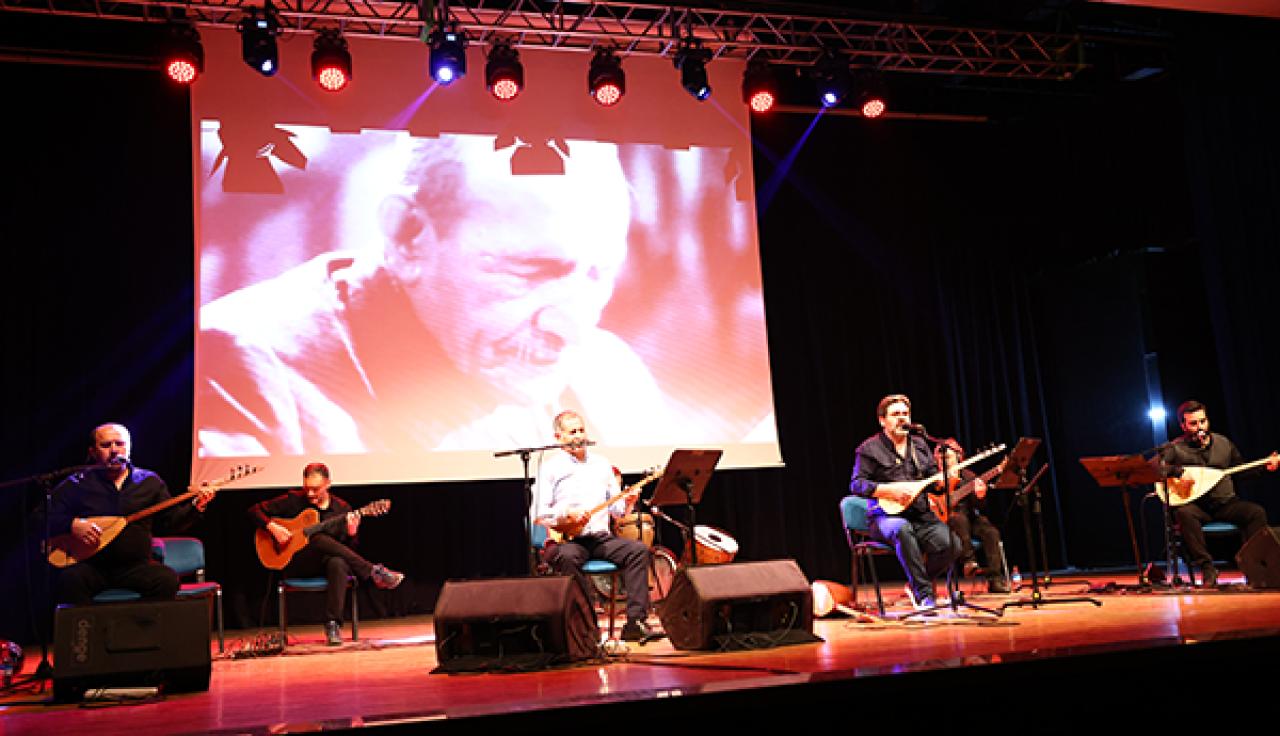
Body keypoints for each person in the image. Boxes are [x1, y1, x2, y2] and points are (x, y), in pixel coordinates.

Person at [197, 134, 679, 458]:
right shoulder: (245, 368)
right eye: (530, 272)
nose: (572, 328)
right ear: (408, 236)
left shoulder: (608, 373)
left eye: (599, 275)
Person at [48, 423, 217, 605]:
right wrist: (72, 525)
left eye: (119, 444)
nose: (114, 450)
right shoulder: (77, 484)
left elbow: (170, 522)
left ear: (129, 448)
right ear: (93, 452)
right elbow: (42, 517)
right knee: (69, 580)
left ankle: (144, 624)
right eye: (106, 445)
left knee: (166, 580)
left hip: (135, 567)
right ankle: (87, 624)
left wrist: (196, 506)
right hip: (91, 566)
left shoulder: (149, 482)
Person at [249, 462, 404, 645]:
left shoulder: (342, 508)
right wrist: (272, 527)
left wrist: (352, 532)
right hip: (296, 562)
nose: (310, 493)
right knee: (316, 538)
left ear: (328, 484)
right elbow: (254, 510)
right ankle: (373, 571)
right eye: (307, 488)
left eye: (315, 489)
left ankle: (333, 624)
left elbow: (349, 551)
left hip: (328, 566)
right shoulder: (294, 499)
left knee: (338, 562)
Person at [533, 410, 655, 641]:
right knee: (568, 558)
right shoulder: (550, 468)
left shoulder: (601, 464)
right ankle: (587, 627)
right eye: (572, 432)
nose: (579, 436)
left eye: (581, 430)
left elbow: (617, 512)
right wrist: (566, 516)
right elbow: (538, 513)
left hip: (600, 539)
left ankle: (635, 622)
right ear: (558, 437)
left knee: (638, 551)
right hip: (570, 540)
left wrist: (628, 501)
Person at [848, 394, 961, 610]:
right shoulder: (869, 448)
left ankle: (917, 583)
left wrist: (945, 481)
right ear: (882, 420)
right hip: (885, 517)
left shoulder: (919, 445)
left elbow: (932, 481)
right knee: (902, 529)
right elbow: (857, 484)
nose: (902, 418)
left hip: (920, 515)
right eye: (895, 414)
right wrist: (889, 491)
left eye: (905, 414)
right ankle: (924, 595)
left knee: (952, 545)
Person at [1159, 400, 1279, 587]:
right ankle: (1207, 569)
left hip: (1226, 504)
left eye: (1203, 421)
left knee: (1255, 513)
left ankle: (1258, 568)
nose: (1200, 427)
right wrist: (1177, 472)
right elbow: (1156, 468)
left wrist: (1265, 466)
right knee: (1183, 513)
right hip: (1198, 507)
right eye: (1193, 424)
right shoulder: (1175, 448)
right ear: (1183, 426)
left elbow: (1241, 471)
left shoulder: (1223, 443)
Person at [934, 441, 1009, 594]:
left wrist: (980, 496)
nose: (944, 461)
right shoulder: (933, 478)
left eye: (947, 457)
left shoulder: (968, 476)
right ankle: (969, 562)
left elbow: (980, 507)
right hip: (945, 521)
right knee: (958, 519)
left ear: (958, 457)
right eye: (940, 458)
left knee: (990, 532)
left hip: (969, 517)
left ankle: (995, 580)